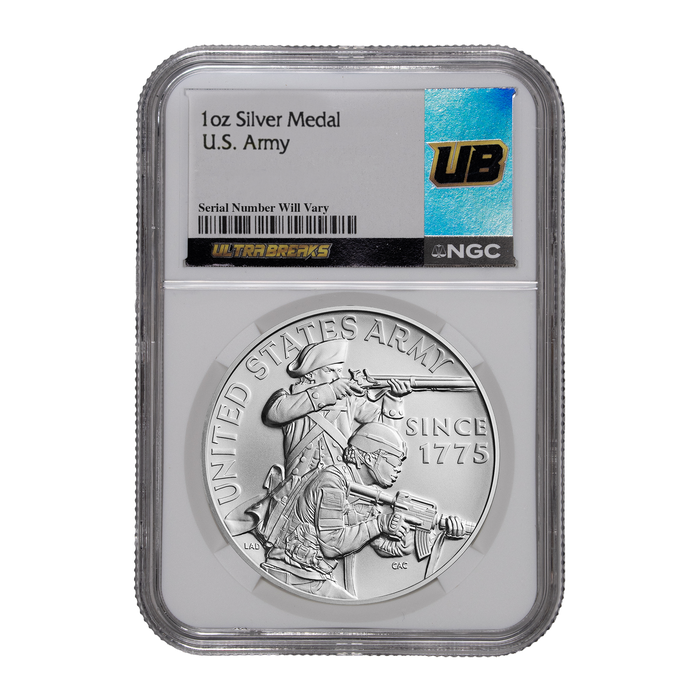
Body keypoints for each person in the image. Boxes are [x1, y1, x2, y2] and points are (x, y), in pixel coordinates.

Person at [258, 422, 471, 600]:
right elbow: (332, 544)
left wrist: (431, 536)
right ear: (370, 458)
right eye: (394, 461)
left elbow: (386, 547)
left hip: (311, 577)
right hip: (292, 574)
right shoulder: (332, 482)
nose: (399, 468)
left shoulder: (366, 497)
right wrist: (380, 524)